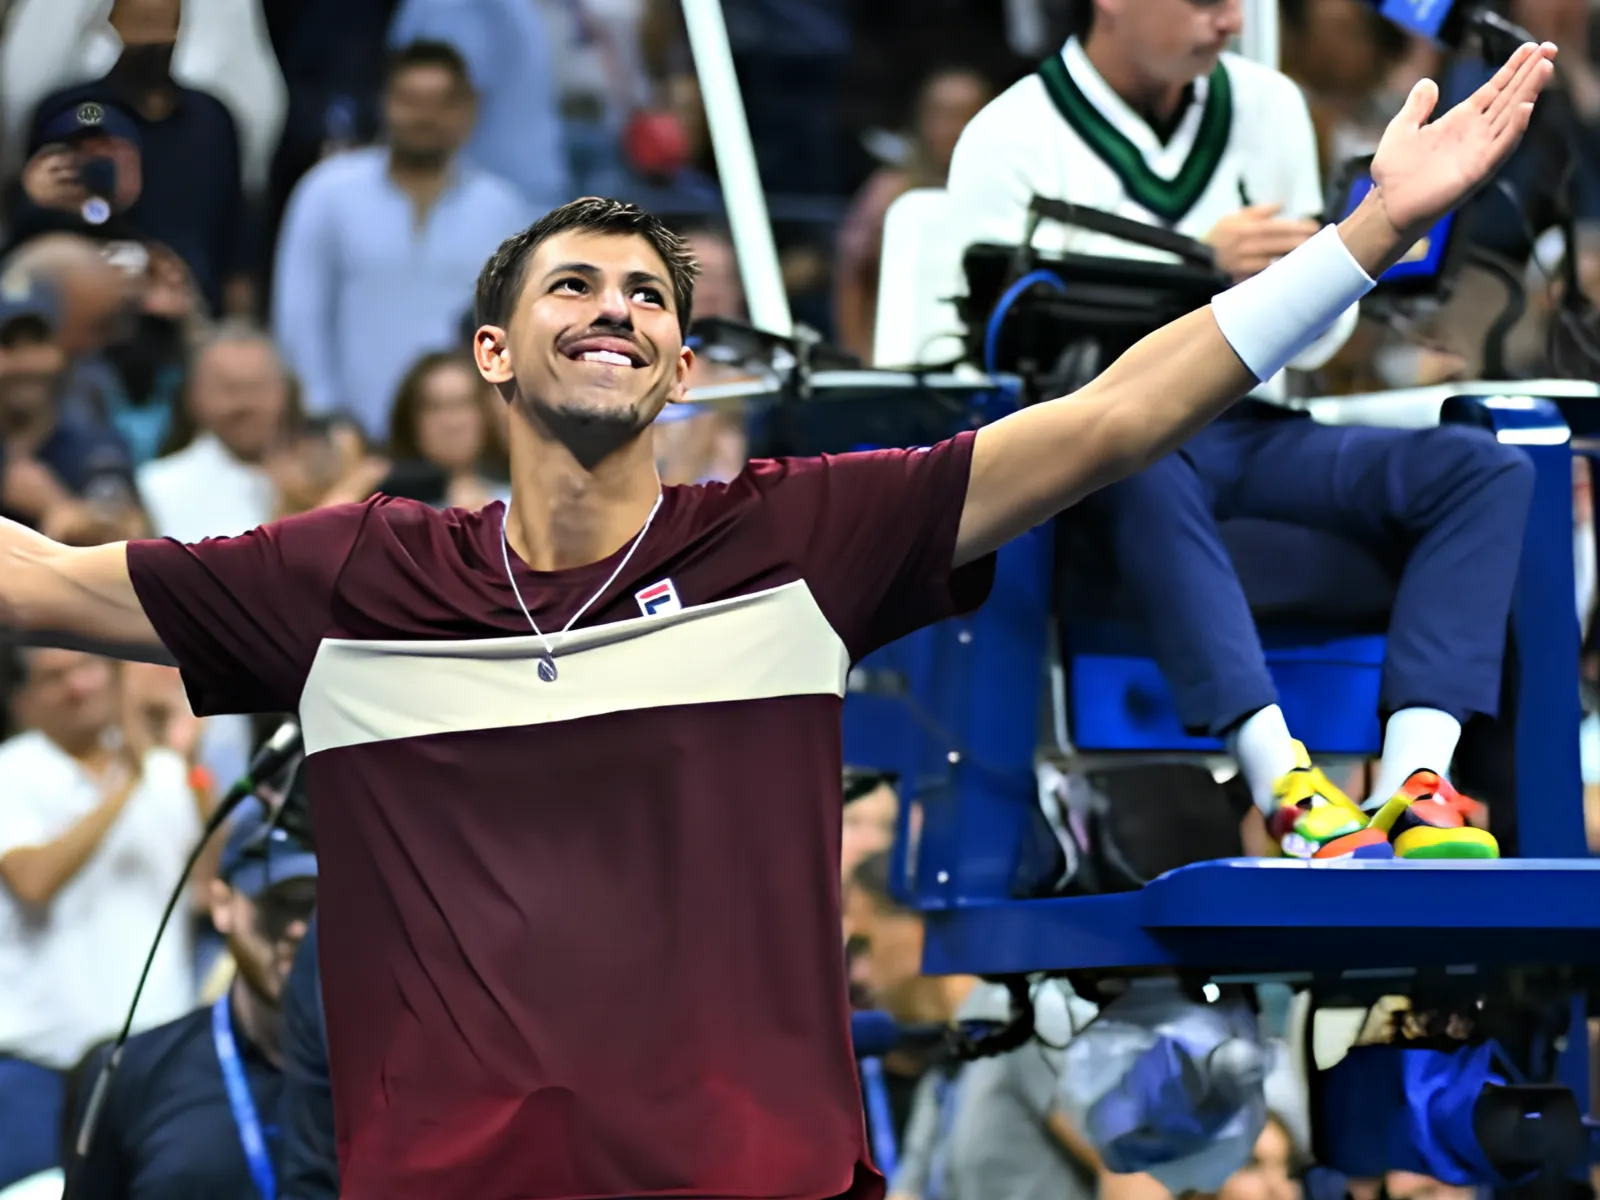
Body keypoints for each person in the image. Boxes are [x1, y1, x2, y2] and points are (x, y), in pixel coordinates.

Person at [0, 40, 1559, 1197]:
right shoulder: (350, 577)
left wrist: (1358, 244)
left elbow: (1106, 426)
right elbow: (44, 582)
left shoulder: (795, 538)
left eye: (647, 297)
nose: (613, 305)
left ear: (683, 373)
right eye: (573, 286)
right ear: (489, 351)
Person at [945, 0, 1531, 860]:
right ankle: (1281, 784)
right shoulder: (1008, 135)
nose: (1230, 20)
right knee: (1132, 452)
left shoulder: (1268, 104)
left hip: (1254, 428)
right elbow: (995, 336)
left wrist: (1322, 266)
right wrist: (1197, 260)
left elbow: (1322, 336)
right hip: (1089, 459)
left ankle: (1415, 782)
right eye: (1207, 1)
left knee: (1484, 468)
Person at [272, 39, 532, 439]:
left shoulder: (502, 208)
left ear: (468, 110)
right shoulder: (327, 192)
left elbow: (517, 327)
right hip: (348, 433)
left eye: (442, 102)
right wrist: (323, 416)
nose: (426, 116)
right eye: (411, 100)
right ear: (384, 102)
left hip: (466, 435)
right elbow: (300, 316)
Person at [66, 800, 318, 1199]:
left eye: (319, 906)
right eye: (279, 904)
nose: (299, 929)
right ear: (223, 905)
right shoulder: (137, 1072)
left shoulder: (384, 1073)